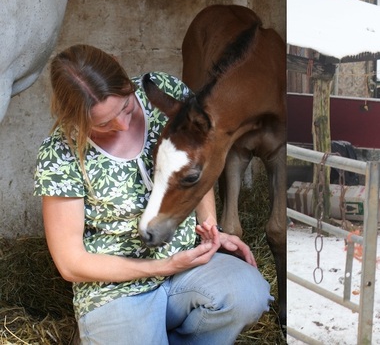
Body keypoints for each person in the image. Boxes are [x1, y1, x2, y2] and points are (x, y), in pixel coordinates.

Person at [33, 44, 271, 344]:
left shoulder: (164, 92)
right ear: (75, 118)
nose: (122, 125)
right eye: (103, 124)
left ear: (125, 79)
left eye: (126, 107)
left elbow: (196, 164)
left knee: (249, 294)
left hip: (186, 264)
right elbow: (70, 263)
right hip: (115, 288)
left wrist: (212, 228)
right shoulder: (60, 152)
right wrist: (162, 266)